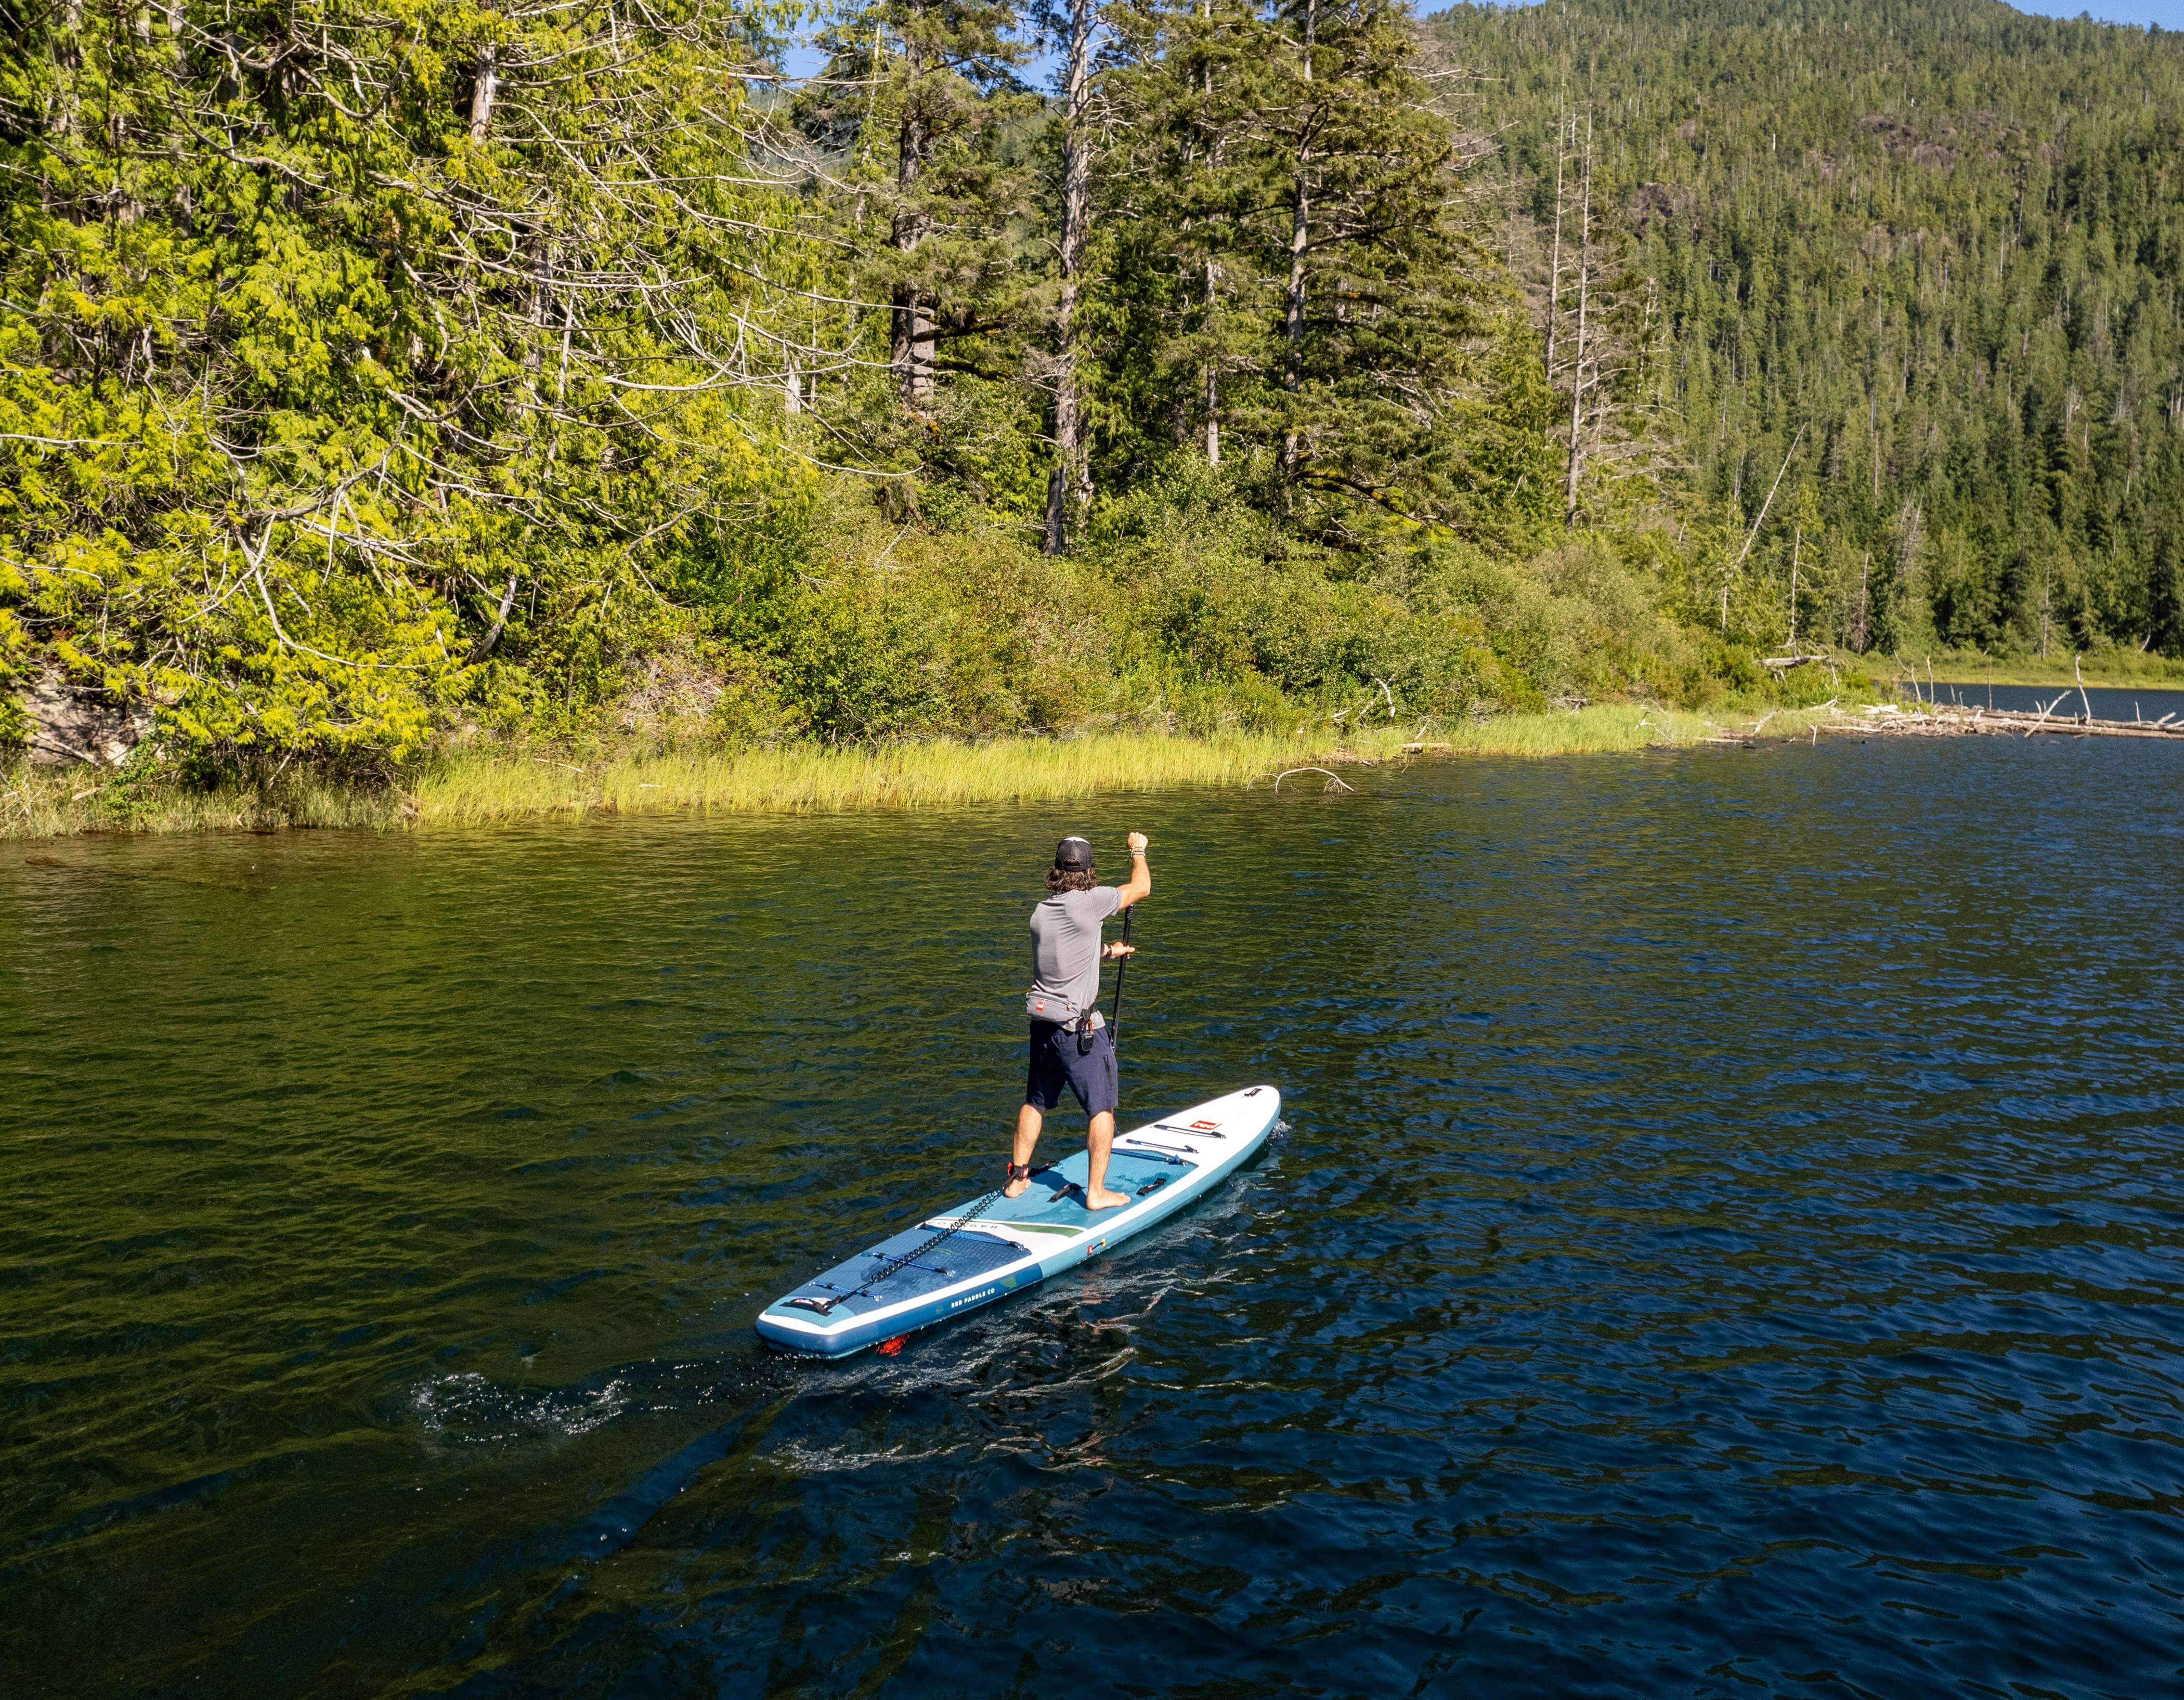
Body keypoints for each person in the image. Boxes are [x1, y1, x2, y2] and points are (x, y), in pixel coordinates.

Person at [1006, 831, 1150, 1209]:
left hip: (1044, 1026)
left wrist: (1109, 951)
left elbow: (1068, 954)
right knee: (1102, 1108)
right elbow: (1142, 887)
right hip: (1079, 1030)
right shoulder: (1092, 902)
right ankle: (1097, 1194)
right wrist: (1138, 851)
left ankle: (1018, 1182)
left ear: (1056, 871)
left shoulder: (1042, 912)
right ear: (1089, 872)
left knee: (1035, 1101)